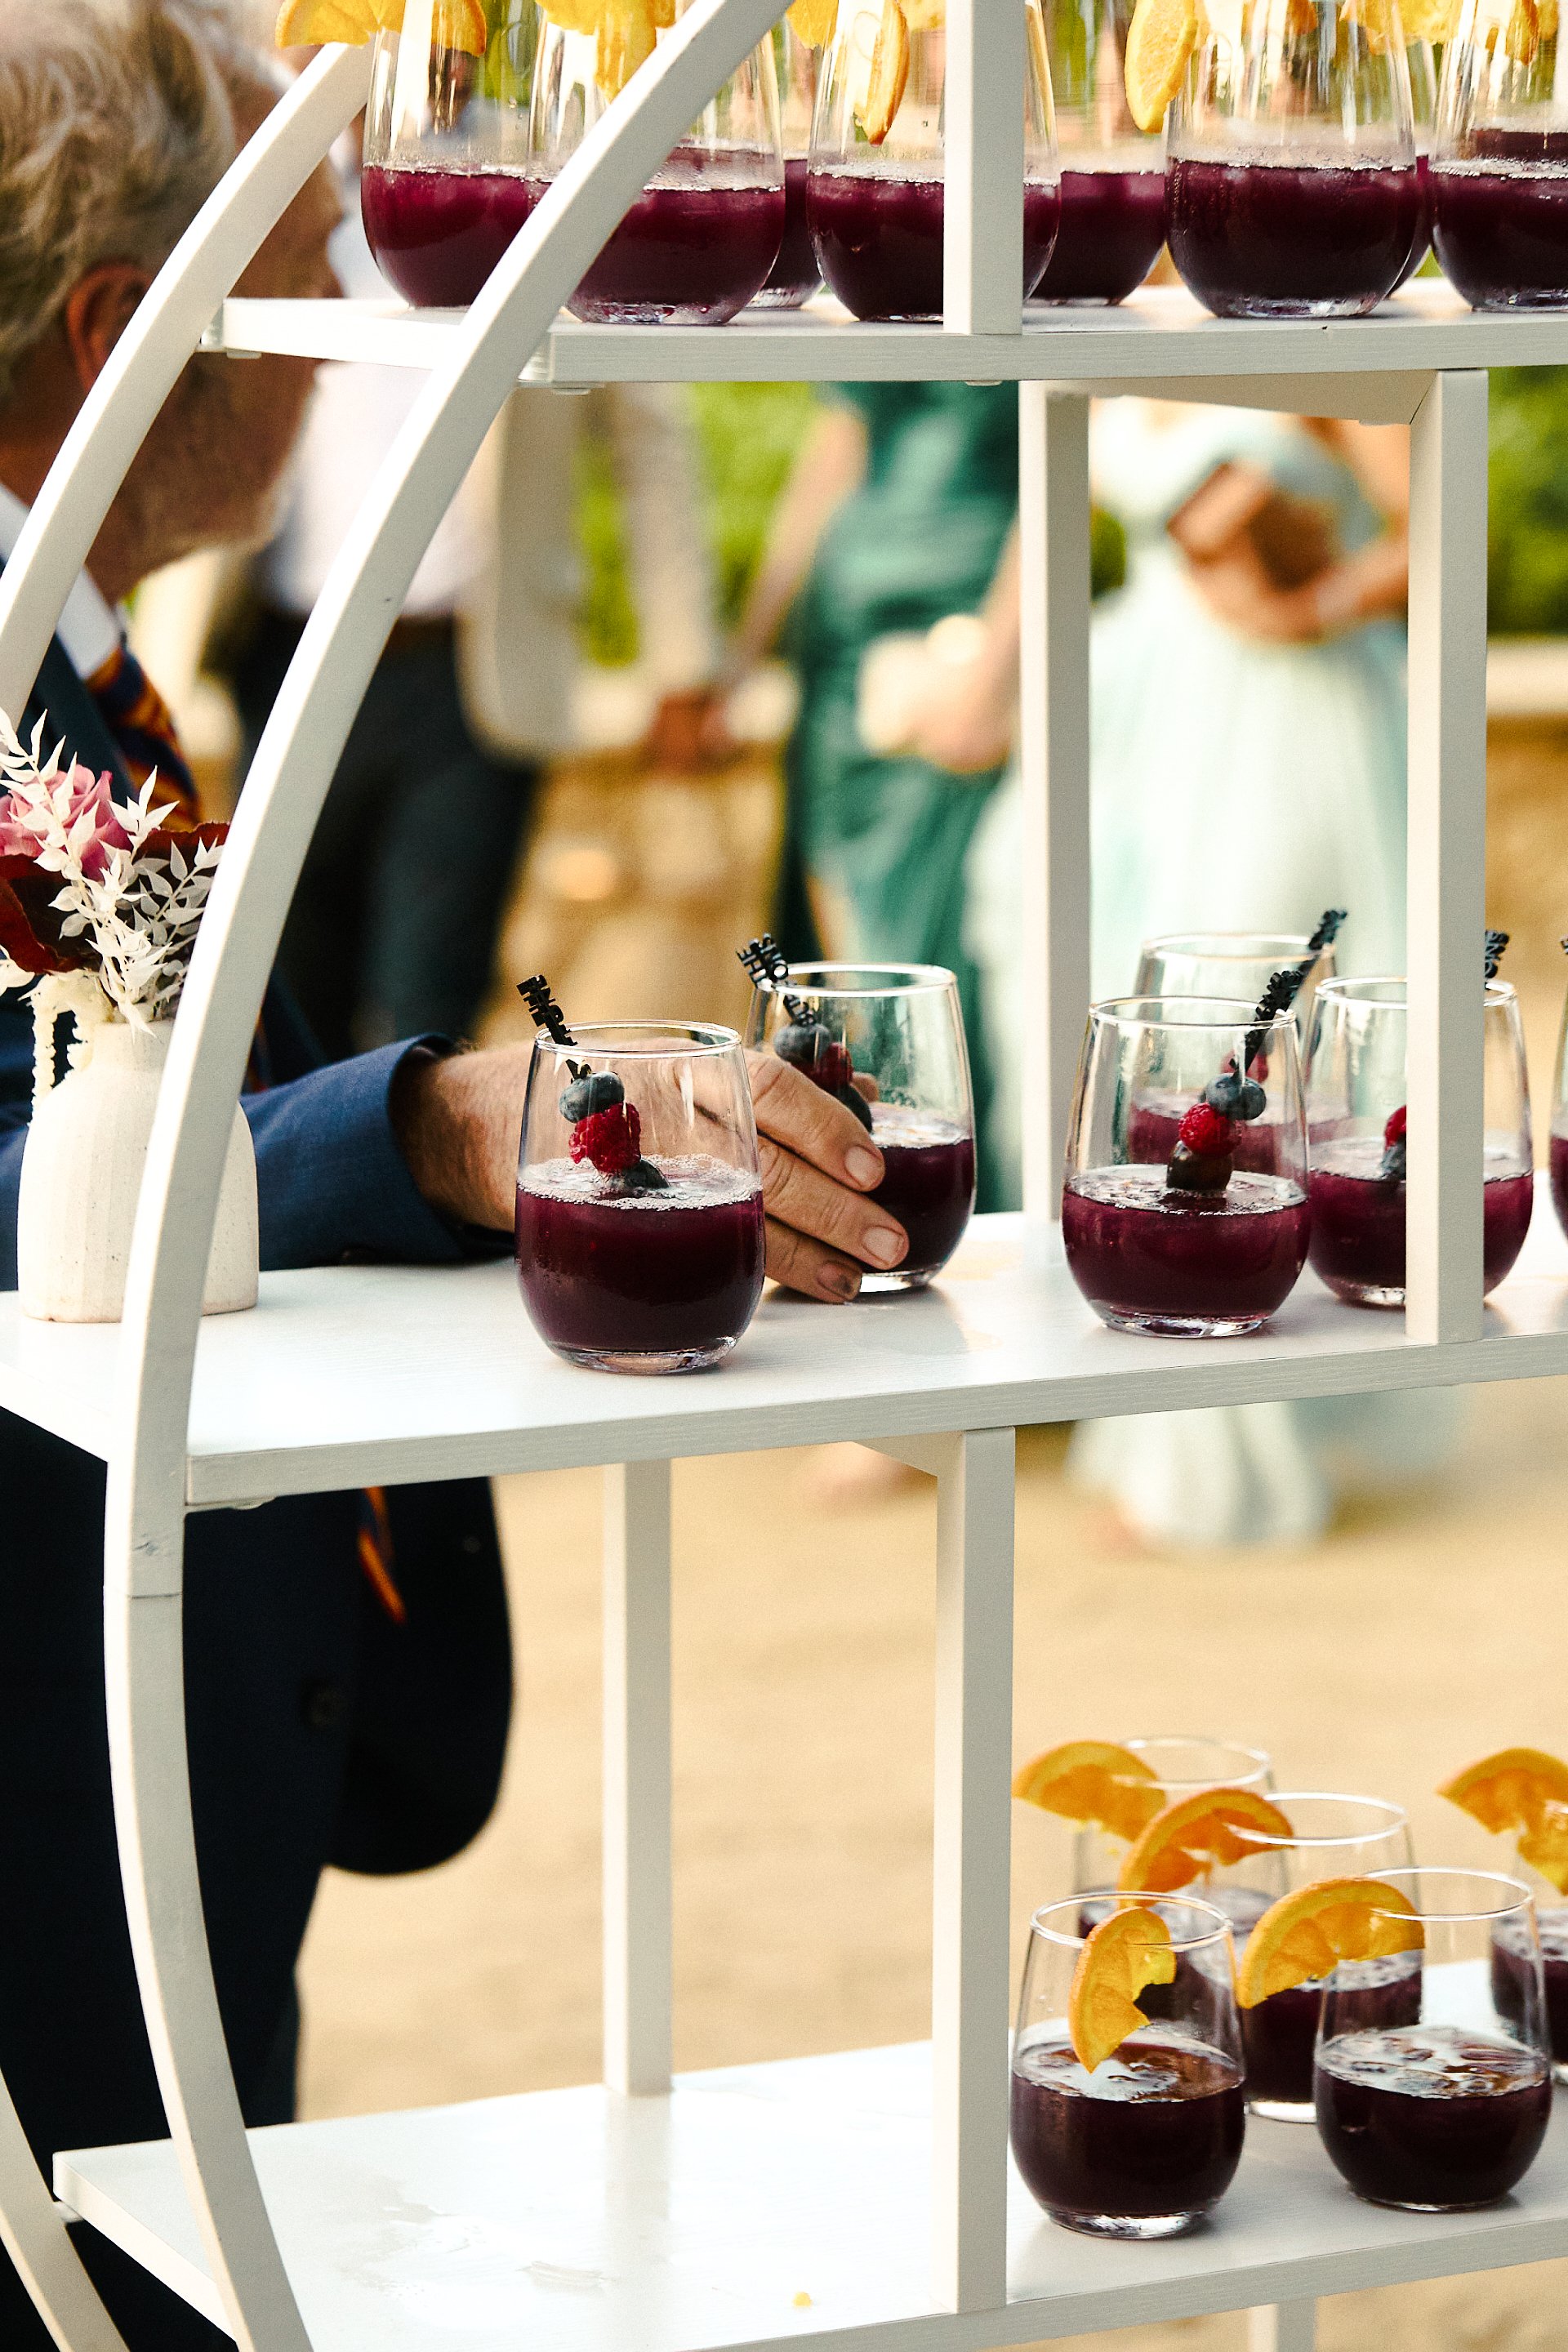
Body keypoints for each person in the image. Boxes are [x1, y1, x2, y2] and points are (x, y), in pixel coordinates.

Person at [0, 11, 909, 2349]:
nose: (373, 309)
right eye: (317, 264)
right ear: (125, 339)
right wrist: (418, 1125)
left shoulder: (82, 680)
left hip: (185, 1799)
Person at [966, 399, 1428, 1545]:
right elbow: (1047, 520)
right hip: (1139, 710)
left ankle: (1220, 1453)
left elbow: (1438, 527)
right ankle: (1139, 1372)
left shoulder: (1308, 310)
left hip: (1286, 719)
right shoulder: (1102, 314)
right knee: (1092, 1031)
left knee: (1234, 1056)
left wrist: (1310, 608)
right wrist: (985, 676)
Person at [228, 102, 724, 1058]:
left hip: (468, 673)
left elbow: (648, 432)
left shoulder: (550, 167)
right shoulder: (269, 164)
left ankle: (386, 1210)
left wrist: (682, 659)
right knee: (276, 1008)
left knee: (422, 1023)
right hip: (283, 655)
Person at [724, 383, 1022, 1208]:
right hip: (839, 654)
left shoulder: (1037, 271)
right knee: (847, 961)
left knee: (932, 964)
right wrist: (747, 650)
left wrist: (995, 673)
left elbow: (1063, 480)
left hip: (948, 649)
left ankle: (956, 1198)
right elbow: (831, 459)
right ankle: (862, 1185)